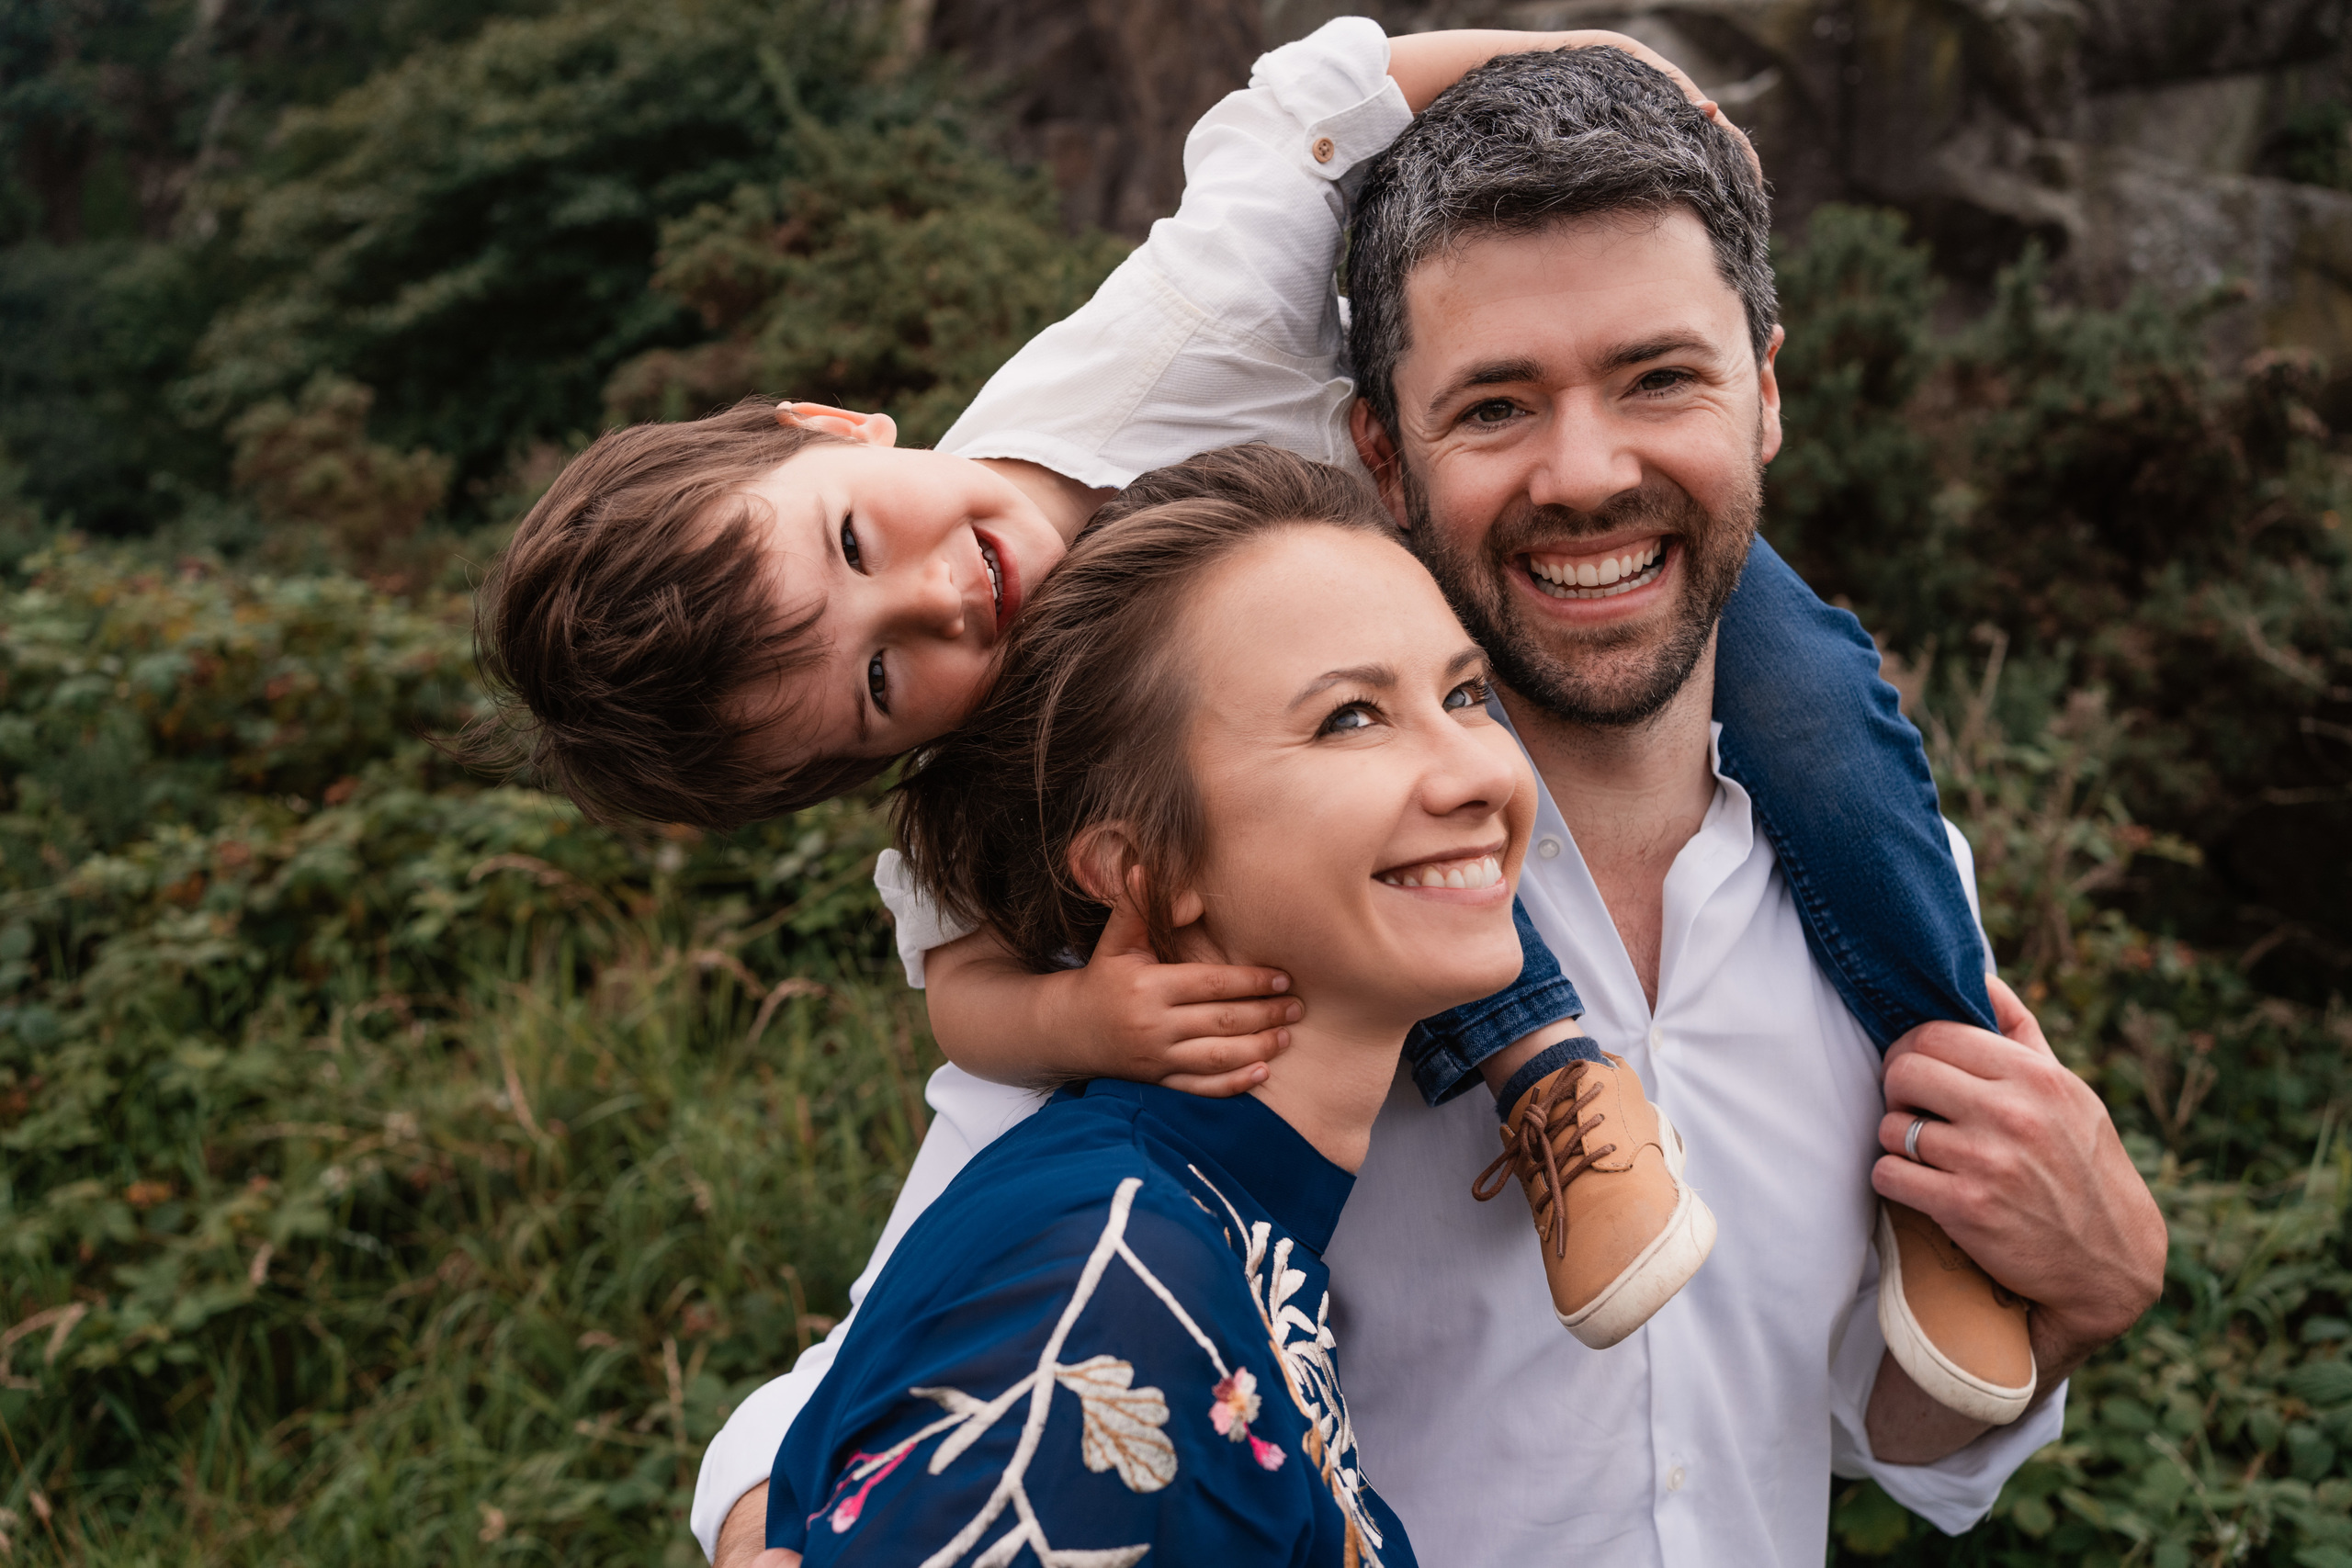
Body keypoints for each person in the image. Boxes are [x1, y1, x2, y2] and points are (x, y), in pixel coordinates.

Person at [696, 28, 2167, 1568]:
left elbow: (1855, 1423)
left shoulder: (1887, 886)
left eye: (1660, 377)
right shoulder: (1235, 933)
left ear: (1765, 396)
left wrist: (2083, 1296)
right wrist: (764, 1528)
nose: (1585, 472)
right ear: (1381, 457)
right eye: (1496, 407)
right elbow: (878, 1378)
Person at [770, 446, 1544, 1566]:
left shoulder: (1200, 1238)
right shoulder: (1113, 1286)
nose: (1479, 774)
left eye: (1464, 695)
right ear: (1140, 869)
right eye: (1349, 719)